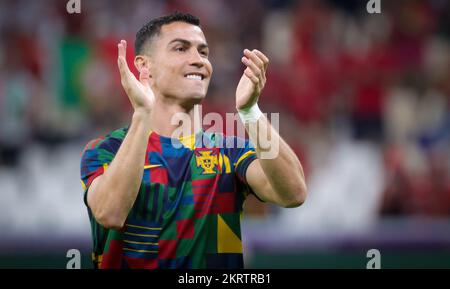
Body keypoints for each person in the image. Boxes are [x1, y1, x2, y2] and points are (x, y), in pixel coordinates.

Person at [80, 12, 307, 269]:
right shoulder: (105, 151)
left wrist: (250, 112)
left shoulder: (229, 152)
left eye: (203, 52)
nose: (198, 60)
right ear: (145, 67)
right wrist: (142, 113)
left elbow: (293, 193)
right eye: (181, 48)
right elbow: (110, 212)